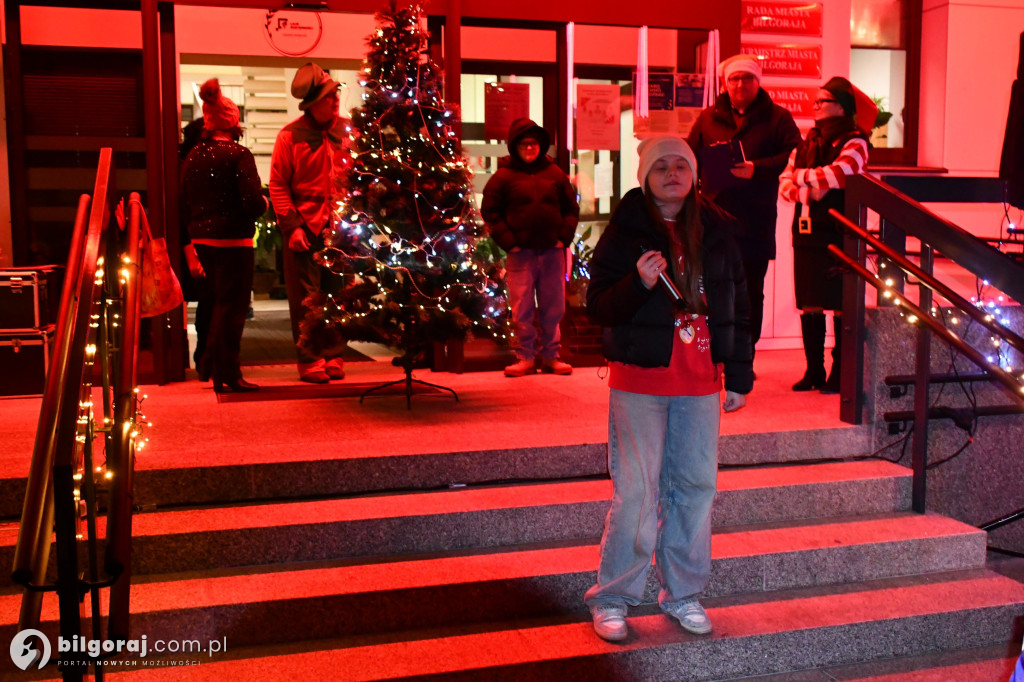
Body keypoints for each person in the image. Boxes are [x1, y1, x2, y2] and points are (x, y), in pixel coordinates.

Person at [583, 135, 753, 642]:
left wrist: (739, 375)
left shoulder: (719, 230)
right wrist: (638, 283)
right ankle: (612, 597)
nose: (673, 174)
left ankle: (682, 593)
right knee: (636, 492)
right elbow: (599, 306)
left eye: (682, 165)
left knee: (696, 488)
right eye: (662, 166)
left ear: (694, 174)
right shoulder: (626, 231)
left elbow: (740, 307)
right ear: (646, 176)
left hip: (701, 383)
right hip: (641, 382)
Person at [687, 54, 801, 360]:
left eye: (747, 78)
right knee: (712, 286)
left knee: (750, 290)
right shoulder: (708, 117)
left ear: (757, 82)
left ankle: (744, 354)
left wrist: (758, 168)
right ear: (726, 83)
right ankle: (714, 352)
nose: (740, 84)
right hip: (713, 218)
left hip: (755, 219)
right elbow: (690, 156)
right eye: (734, 79)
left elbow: (795, 156)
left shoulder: (779, 118)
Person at [779, 76, 873, 393]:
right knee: (810, 303)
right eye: (816, 102)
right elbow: (784, 183)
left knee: (840, 303)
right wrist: (810, 191)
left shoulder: (856, 141)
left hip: (839, 232)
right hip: (806, 232)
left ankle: (840, 372)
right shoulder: (807, 142)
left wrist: (801, 177)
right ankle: (814, 370)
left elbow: (842, 172)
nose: (816, 107)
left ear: (842, 107)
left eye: (824, 101)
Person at [180, 79, 267, 393]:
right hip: (234, 242)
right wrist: (266, 203)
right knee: (232, 309)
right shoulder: (238, 155)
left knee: (214, 305)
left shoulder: (193, 156)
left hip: (202, 240)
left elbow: (184, 201)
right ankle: (228, 373)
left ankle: (210, 366)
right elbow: (252, 204)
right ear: (233, 122)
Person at [270, 62, 350, 384]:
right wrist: (292, 227)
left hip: (341, 228)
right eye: (329, 96)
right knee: (307, 300)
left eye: (336, 94)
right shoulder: (289, 136)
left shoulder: (349, 131)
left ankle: (334, 354)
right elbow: (277, 184)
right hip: (305, 227)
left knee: (338, 295)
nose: (335, 100)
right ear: (312, 103)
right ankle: (309, 360)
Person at [481, 118, 580, 377]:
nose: (529, 148)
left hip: (551, 251)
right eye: (524, 144)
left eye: (534, 144)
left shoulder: (555, 174)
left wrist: (563, 237)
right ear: (515, 146)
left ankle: (551, 356)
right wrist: (509, 243)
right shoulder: (503, 177)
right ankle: (524, 357)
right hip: (520, 254)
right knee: (522, 307)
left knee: (554, 306)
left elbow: (571, 208)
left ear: (541, 146)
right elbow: (490, 212)